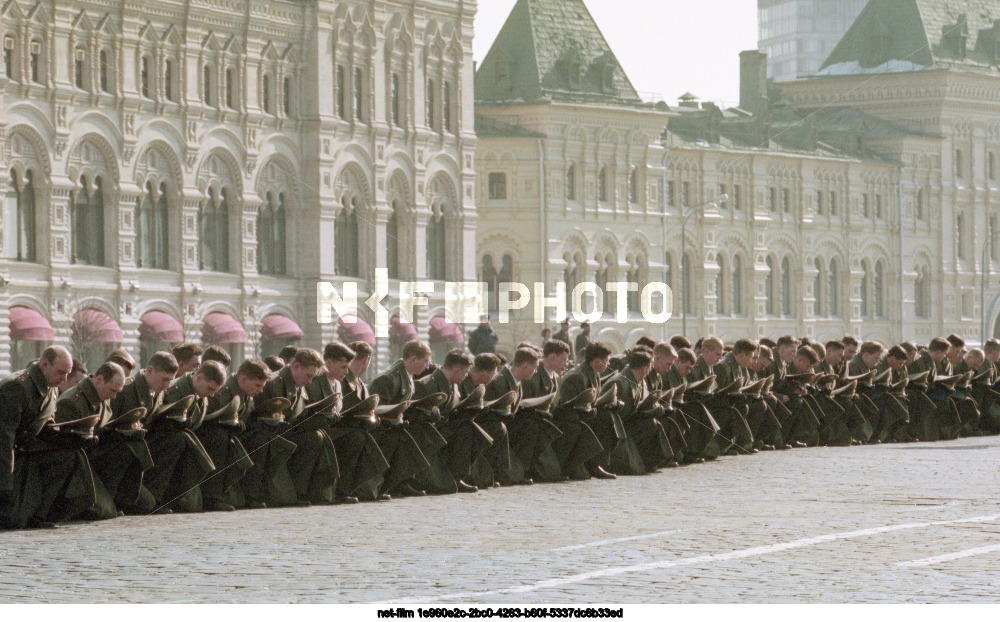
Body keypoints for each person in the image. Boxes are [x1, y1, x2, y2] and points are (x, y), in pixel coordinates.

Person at [0, 346, 89, 529]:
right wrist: (5, 484)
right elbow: (4, 439)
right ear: (45, 365)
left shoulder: (50, 386)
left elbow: (44, 425)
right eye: (61, 372)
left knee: (68, 455)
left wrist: (72, 437)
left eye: (67, 373)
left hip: (24, 452)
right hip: (8, 457)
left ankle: (40, 514)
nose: (64, 379)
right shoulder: (17, 386)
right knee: (13, 521)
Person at [306, 341, 389, 504]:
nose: (346, 371)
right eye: (343, 367)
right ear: (329, 363)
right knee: (355, 438)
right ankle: (337, 491)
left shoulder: (337, 383)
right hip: (317, 430)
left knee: (361, 436)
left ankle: (358, 488)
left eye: (347, 367)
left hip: (332, 429)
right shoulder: (315, 381)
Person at [257, 348, 339, 506]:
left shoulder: (299, 383)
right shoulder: (274, 384)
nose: (310, 381)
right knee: (312, 438)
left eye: (312, 377)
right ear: (296, 367)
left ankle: (303, 490)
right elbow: (269, 419)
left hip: (285, 431)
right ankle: (282, 493)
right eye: (308, 375)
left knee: (317, 437)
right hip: (268, 433)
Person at [144, 360, 226, 513]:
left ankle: (207, 497)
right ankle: (156, 498)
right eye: (210, 388)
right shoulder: (175, 390)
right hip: (158, 443)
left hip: (178, 442)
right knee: (176, 441)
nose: (212, 394)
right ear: (199, 378)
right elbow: (159, 424)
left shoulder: (199, 393)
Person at [53, 361, 127, 521]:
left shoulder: (101, 395)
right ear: (100, 379)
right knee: (104, 511)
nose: (114, 396)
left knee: (126, 448)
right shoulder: (72, 401)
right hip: (77, 463)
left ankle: (106, 500)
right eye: (113, 390)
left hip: (91, 457)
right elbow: (60, 442)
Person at [197, 358, 269, 511]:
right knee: (219, 439)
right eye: (258, 385)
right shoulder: (224, 391)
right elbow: (207, 420)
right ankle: (212, 497)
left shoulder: (247, 394)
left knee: (259, 439)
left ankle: (250, 495)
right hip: (211, 436)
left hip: (232, 433)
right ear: (243, 379)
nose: (260, 390)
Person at [415, 349, 489, 493]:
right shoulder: (427, 384)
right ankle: (453, 477)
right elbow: (416, 415)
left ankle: (458, 476)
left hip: (443, 428)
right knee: (465, 429)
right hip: (428, 433)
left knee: (469, 427)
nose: (466, 376)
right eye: (465, 372)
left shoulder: (454, 384)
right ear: (457, 371)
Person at [368, 340, 435, 498]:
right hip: (380, 427)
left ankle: (403, 481)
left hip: (394, 424)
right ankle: (385, 485)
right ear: (413, 359)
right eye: (425, 361)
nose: (427, 366)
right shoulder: (389, 378)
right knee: (399, 437)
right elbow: (380, 411)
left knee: (426, 432)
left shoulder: (406, 374)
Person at [553, 342, 614, 480]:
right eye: (607, 360)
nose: (608, 363)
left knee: (607, 417)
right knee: (589, 424)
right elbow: (566, 406)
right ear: (597, 361)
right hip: (566, 418)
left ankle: (595, 464)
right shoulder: (576, 376)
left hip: (580, 415)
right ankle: (574, 467)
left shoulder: (592, 373)